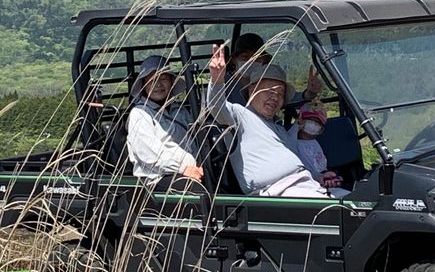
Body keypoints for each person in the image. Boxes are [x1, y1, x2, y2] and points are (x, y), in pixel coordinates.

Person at [206, 46, 339, 198]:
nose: (275, 97)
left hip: (306, 184)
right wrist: (217, 80)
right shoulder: (239, 115)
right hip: (277, 192)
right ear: (252, 90)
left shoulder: (277, 128)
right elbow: (216, 106)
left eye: (280, 94)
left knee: (354, 199)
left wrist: (318, 176)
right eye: (269, 91)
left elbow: (294, 156)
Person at [126, 55, 204, 189]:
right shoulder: (140, 114)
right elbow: (149, 155)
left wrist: (199, 166)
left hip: (191, 171)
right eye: (152, 80)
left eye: (163, 79)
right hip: (157, 179)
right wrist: (183, 168)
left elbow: (194, 142)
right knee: (195, 190)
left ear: (171, 82)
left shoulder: (180, 111)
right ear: (144, 85)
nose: (158, 84)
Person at [289, 107, 344, 191]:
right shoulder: (294, 143)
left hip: (323, 179)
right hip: (309, 184)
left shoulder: (315, 142)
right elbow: (288, 140)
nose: (314, 124)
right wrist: (296, 125)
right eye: (311, 120)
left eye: (318, 123)